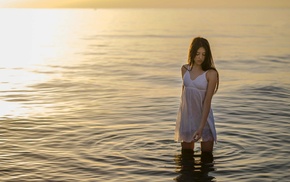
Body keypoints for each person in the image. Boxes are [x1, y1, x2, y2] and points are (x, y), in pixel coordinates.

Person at [174, 37, 219, 152]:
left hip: (204, 120)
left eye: (204, 54)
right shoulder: (185, 69)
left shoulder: (211, 74)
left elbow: (207, 102)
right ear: (192, 52)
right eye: (197, 53)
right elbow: (184, 97)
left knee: (207, 162)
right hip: (188, 119)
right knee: (186, 161)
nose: (200, 57)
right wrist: (182, 120)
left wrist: (201, 127)